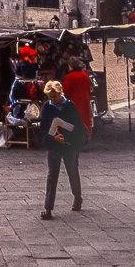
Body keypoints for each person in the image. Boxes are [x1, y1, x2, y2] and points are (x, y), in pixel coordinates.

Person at [39, 79, 86, 219]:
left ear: (61, 93)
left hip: (69, 145)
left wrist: (66, 136)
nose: (53, 99)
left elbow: (78, 127)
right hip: (54, 145)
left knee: (72, 171)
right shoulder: (47, 107)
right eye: (50, 97)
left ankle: (77, 197)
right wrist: (53, 137)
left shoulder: (70, 106)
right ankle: (48, 208)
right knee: (52, 175)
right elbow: (43, 129)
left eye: (55, 96)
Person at [62, 57, 93, 137]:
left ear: (71, 66)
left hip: (74, 102)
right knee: (85, 120)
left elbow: (66, 91)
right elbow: (89, 87)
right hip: (85, 101)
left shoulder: (70, 77)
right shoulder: (85, 74)